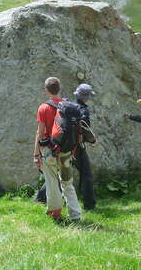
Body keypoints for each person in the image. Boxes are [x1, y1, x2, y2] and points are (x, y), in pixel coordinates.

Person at [35, 84, 97, 210]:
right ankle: (89, 205)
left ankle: (40, 198)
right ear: (86, 97)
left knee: (55, 173)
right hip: (76, 148)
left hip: (60, 145)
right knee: (85, 175)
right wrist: (92, 140)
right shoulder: (81, 110)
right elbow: (83, 129)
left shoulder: (68, 106)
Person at [33, 77, 82, 222]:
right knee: (67, 182)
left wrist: (36, 153)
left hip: (49, 151)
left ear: (46, 90)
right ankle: (76, 215)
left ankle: (56, 213)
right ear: (60, 88)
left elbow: (40, 132)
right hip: (66, 151)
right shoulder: (69, 106)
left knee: (52, 182)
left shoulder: (43, 108)